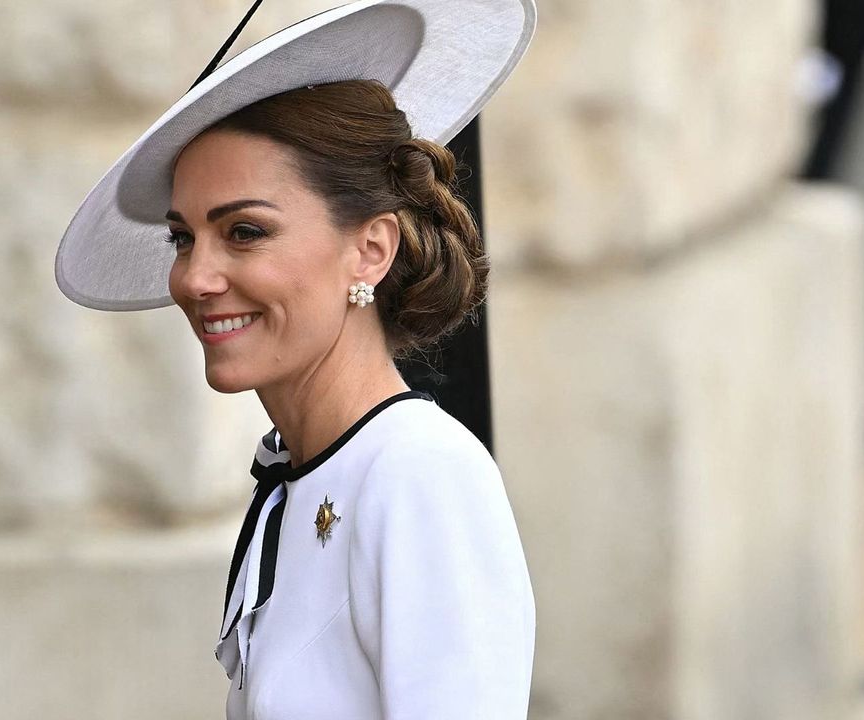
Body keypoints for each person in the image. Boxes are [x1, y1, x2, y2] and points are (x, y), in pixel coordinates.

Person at [54, 1, 538, 717]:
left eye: (244, 232)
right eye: (183, 238)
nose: (195, 278)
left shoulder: (418, 475)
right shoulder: (300, 475)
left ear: (370, 248)